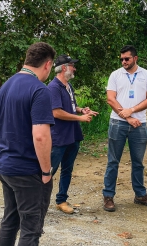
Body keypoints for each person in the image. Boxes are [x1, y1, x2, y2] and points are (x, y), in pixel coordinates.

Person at [0, 42, 57, 246]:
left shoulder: (6, 86)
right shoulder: (39, 90)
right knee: (31, 229)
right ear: (48, 64)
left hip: (4, 164)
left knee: (10, 221)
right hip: (26, 170)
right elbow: (41, 137)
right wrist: (46, 171)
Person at [102, 45, 147, 212]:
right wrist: (127, 117)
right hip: (118, 123)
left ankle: (140, 195)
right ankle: (108, 196)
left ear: (135, 58)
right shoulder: (115, 75)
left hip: (139, 124)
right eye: (121, 59)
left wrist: (132, 111)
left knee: (138, 162)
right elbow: (111, 99)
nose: (123, 62)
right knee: (113, 161)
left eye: (126, 59)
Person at [47, 54, 98, 214]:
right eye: (72, 65)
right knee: (49, 170)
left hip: (73, 135)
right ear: (64, 68)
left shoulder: (68, 86)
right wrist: (80, 118)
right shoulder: (53, 87)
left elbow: (70, 106)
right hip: (59, 136)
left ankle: (61, 200)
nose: (74, 68)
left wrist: (82, 110)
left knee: (67, 169)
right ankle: (36, 202)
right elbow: (56, 112)